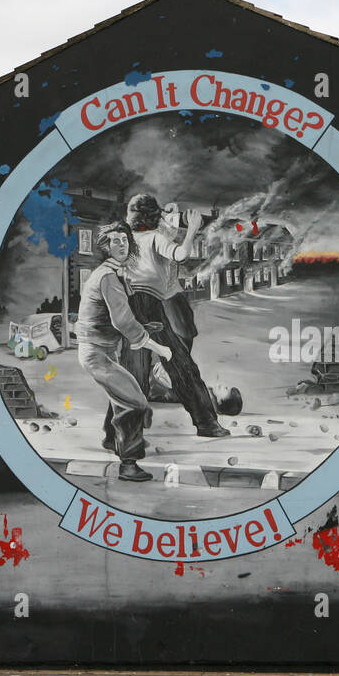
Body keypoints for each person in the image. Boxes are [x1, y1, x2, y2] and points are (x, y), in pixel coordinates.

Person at [119, 193, 229, 438]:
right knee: (180, 365)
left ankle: (122, 437)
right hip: (149, 304)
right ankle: (207, 423)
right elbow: (180, 255)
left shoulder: (127, 239)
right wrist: (191, 230)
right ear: (153, 217)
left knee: (131, 373)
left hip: (131, 305)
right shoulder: (155, 237)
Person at [77, 222, 172, 483]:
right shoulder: (107, 276)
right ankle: (128, 464)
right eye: (115, 241)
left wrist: (147, 327)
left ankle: (111, 440)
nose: (121, 245)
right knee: (135, 401)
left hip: (106, 350)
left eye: (124, 240)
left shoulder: (118, 273)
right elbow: (123, 321)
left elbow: (123, 314)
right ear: (105, 247)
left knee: (120, 393)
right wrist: (157, 347)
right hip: (96, 353)